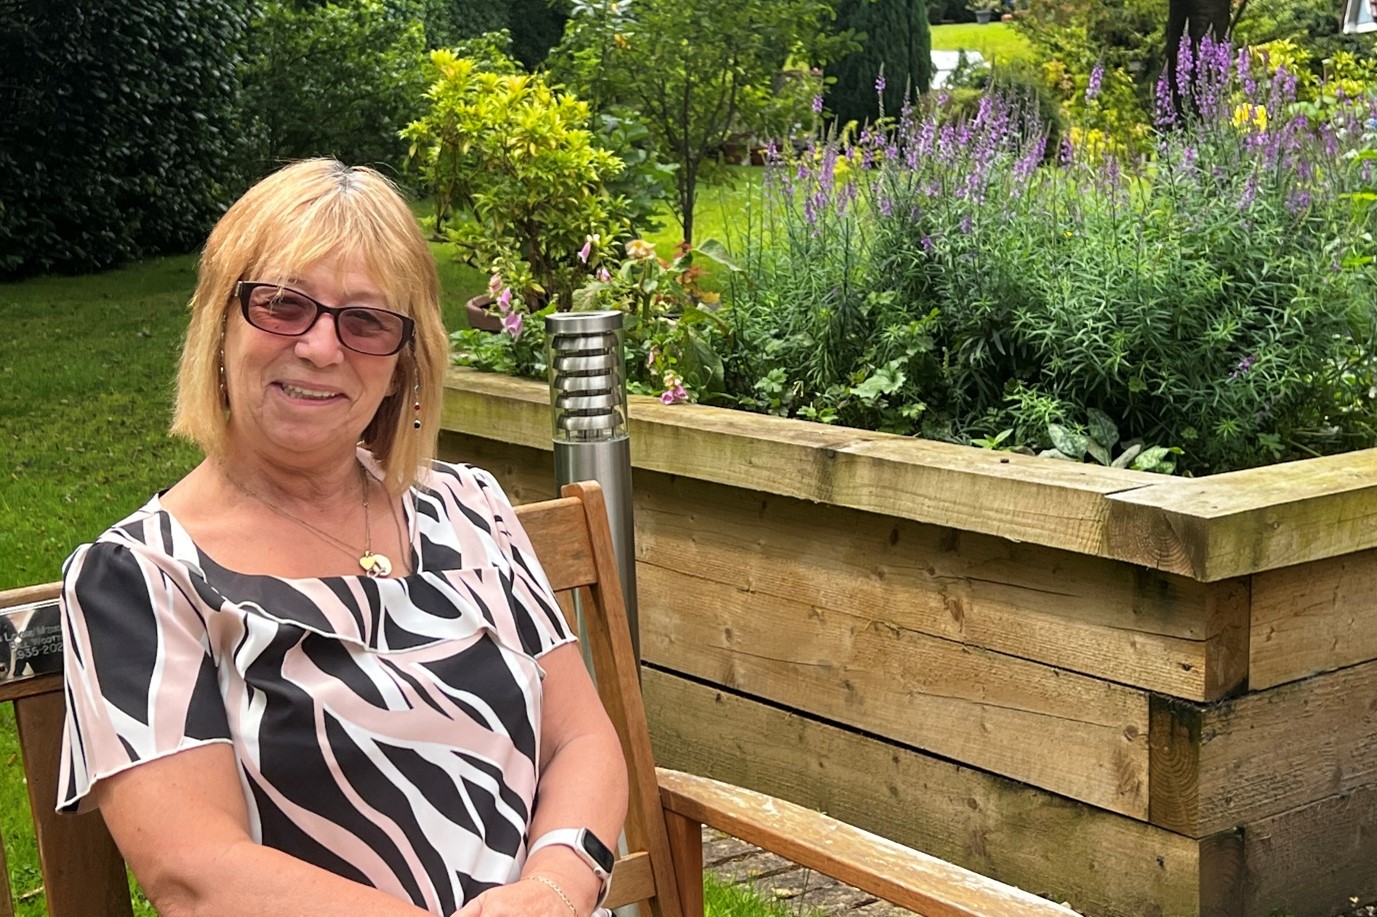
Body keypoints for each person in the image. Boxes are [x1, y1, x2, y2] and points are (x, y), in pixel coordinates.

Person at [56, 159, 628, 917]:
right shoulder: (138, 577)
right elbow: (196, 874)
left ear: (401, 366)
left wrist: (553, 887)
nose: (322, 348)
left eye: (365, 321)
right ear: (219, 326)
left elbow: (581, 739)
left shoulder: (469, 505)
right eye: (284, 305)